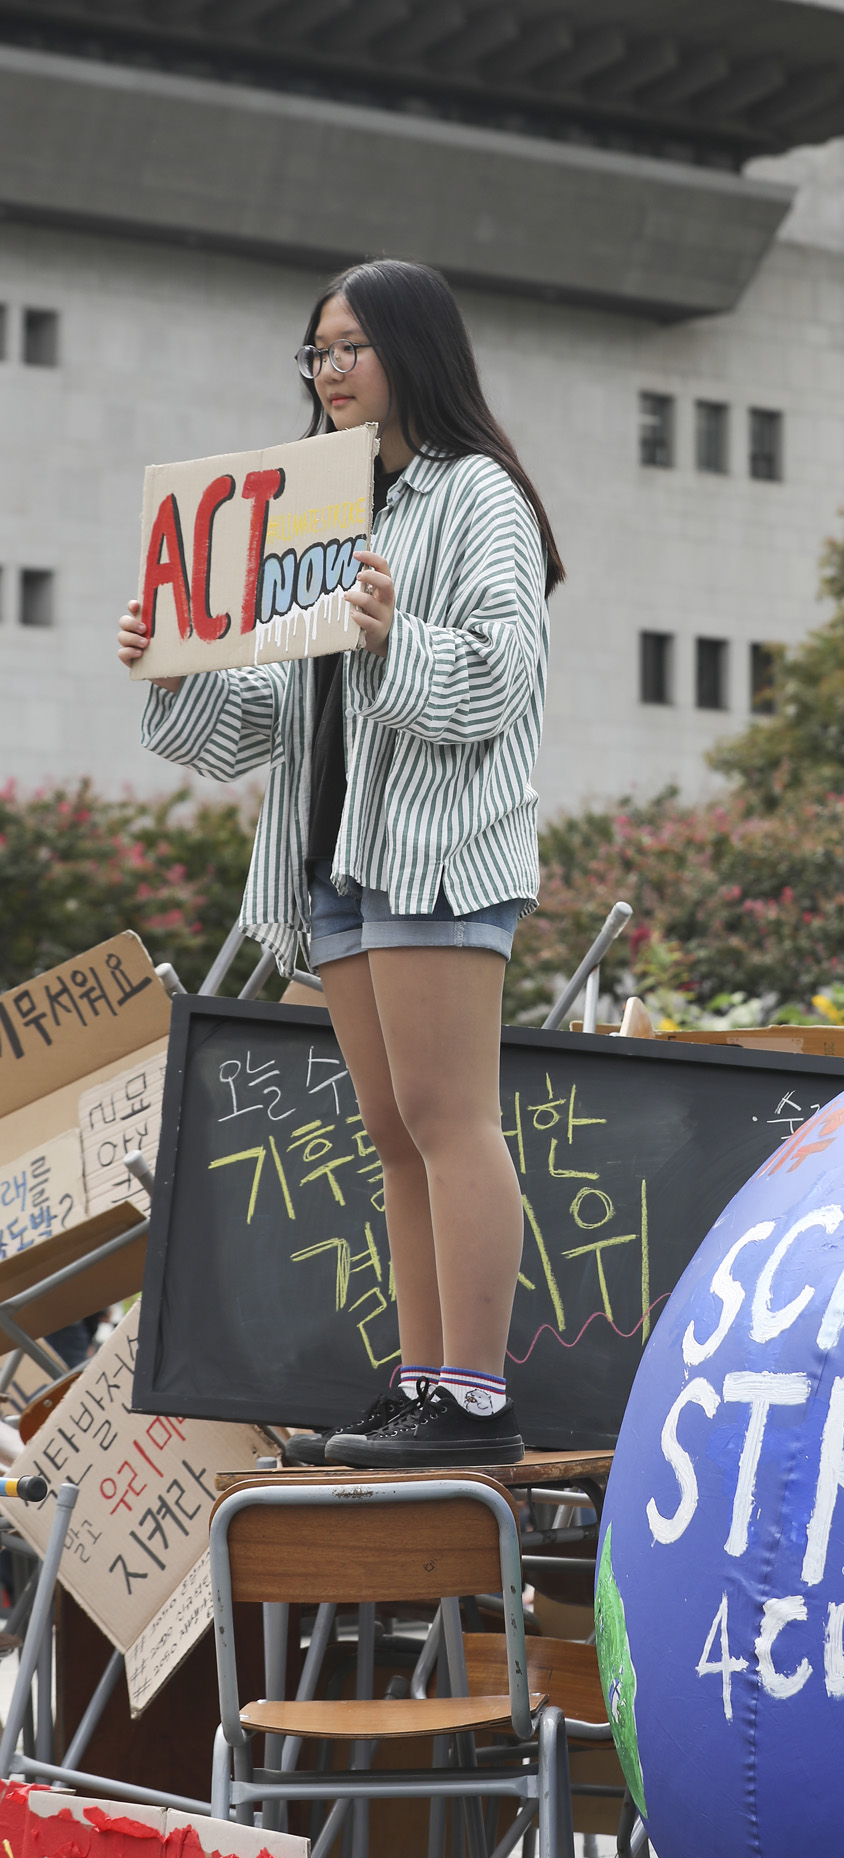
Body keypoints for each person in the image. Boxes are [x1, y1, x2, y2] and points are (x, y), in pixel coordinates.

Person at [117, 259, 562, 1468]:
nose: (328, 372)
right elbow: (268, 716)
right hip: (333, 858)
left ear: (413, 352)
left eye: (349, 347)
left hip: (432, 851)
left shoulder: (480, 497)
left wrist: (388, 633)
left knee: (446, 1114)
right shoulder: (321, 505)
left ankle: (472, 1395)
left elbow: (501, 677)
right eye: (315, 353)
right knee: (391, 1127)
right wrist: (179, 663)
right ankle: (424, 1381)